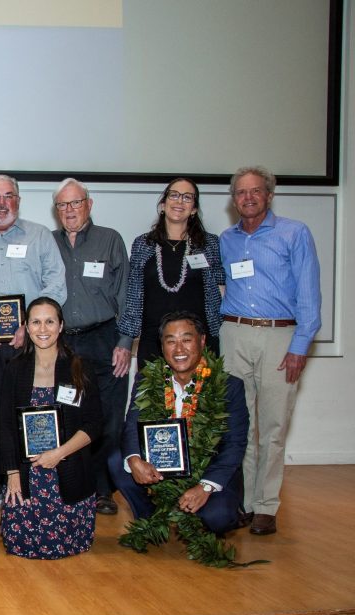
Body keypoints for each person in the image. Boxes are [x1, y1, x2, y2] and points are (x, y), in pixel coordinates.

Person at [219, 166, 321, 536]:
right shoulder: (225, 240)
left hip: (280, 336)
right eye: (241, 192)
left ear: (269, 195)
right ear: (234, 199)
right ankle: (245, 503)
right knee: (239, 425)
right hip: (233, 333)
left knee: (274, 428)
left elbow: (309, 296)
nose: (248, 197)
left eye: (256, 191)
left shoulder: (294, 233)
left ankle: (266, 506)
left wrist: (299, 347)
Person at [0, 175, 66, 511]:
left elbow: (56, 284)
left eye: (8, 195)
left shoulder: (39, 236)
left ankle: (34, 479)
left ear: (18, 200)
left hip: (32, 339)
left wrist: (32, 323)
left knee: (32, 410)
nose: (1, 203)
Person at [110, 311, 248, 536]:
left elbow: (235, 445)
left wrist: (205, 486)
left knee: (218, 518)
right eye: (171, 341)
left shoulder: (229, 387)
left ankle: (199, 511)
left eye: (186, 340)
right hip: (161, 469)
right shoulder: (146, 379)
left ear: (202, 341)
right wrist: (134, 459)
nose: (179, 349)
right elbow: (132, 423)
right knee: (118, 460)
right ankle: (152, 520)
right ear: (162, 346)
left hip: (207, 471)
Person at [0, 297, 102, 559]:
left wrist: (59, 453)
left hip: (68, 466)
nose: (43, 329)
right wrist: (12, 473)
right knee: (19, 544)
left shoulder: (79, 367)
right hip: (26, 472)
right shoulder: (14, 369)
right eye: (36, 322)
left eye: (50, 322)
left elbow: (95, 423)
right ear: (26, 327)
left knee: (68, 545)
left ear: (61, 325)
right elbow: (6, 425)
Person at [51, 178, 130, 515]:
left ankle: (102, 490)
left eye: (76, 202)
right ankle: (67, 486)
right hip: (64, 344)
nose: (70, 210)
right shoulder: (48, 242)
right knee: (66, 415)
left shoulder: (110, 240)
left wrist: (126, 341)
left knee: (108, 420)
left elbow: (127, 294)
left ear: (89, 204)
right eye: (62, 204)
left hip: (105, 339)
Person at [118, 178, 225, 363]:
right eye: (174, 195)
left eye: (187, 197)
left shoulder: (209, 244)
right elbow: (133, 296)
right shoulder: (143, 244)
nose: (179, 201)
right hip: (154, 341)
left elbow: (220, 291)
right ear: (163, 204)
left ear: (194, 209)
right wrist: (127, 337)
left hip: (198, 341)